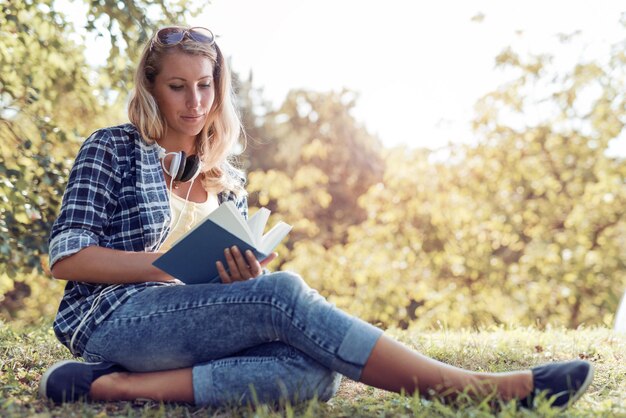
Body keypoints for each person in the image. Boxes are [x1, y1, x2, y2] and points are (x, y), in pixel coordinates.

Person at [38, 26, 594, 410]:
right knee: (284, 295)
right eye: (178, 86)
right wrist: (165, 265)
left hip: (187, 325)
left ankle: (118, 390)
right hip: (116, 320)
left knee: (312, 371)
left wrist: (241, 278)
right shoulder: (111, 147)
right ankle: (470, 388)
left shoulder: (225, 178)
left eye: (206, 84)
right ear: (153, 89)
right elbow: (66, 257)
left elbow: (223, 289)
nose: (195, 101)